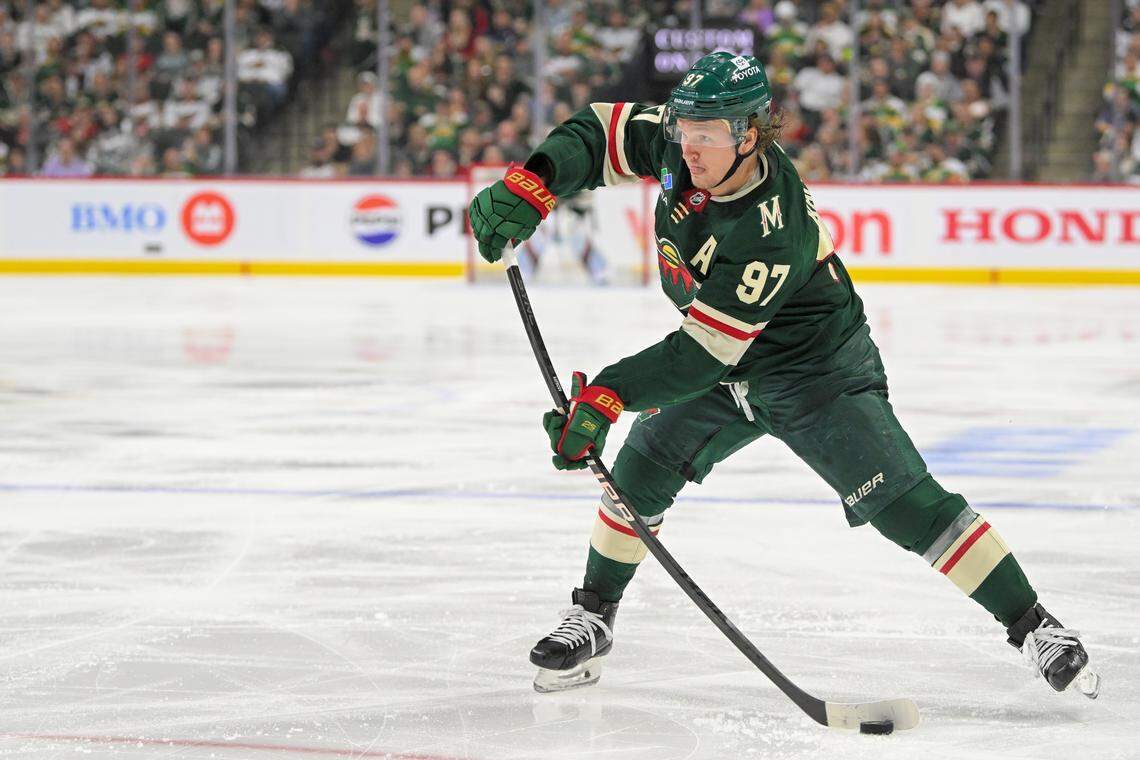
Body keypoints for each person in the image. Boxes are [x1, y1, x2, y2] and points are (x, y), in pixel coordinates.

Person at [467, 52, 1100, 699]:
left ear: (749, 133)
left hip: (812, 368)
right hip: (721, 362)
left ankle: (1033, 624)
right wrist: (534, 181)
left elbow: (700, 356)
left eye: (707, 137)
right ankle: (594, 616)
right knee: (638, 472)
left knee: (905, 506)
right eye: (685, 131)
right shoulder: (684, 138)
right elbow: (599, 132)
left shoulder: (770, 223)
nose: (690, 149)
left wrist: (608, 394)